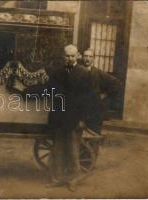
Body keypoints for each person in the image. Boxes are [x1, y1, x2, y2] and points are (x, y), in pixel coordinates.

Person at [23, 44, 91, 191]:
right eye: (67, 55)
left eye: (72, 56)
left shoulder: (84, 73)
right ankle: (57, 178)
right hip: (59, 117)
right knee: (58, 150)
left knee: (73, 151)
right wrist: (27, 92)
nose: (70, 58)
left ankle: (73, 180)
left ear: (78, 56)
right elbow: (48, 89)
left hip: (74, 118)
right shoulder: (57, 72)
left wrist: (82, 119)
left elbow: (86, 98)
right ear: (63, 56)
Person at [82, 49, 121, 135]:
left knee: (93, 132)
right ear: (82, 57)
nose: (87, 59)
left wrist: (105, 94)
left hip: (94, 109)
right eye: (85, 56)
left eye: (90, 56)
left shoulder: (98, 73)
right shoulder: (77, 70)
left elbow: (117, 83)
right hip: (80, 108)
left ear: (93, 59)